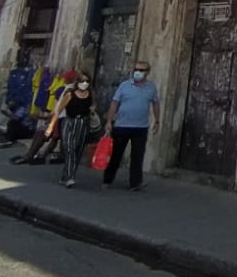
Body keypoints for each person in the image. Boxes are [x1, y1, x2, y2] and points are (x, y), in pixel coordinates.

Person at [103, 60, 159, 191]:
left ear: (147, 72)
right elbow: (114, 103)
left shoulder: (151, 87)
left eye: (141, 70)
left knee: (137, 156)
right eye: (136, 70)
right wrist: (109, 121)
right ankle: (107, 179)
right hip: (122, 126)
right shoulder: (124, 86)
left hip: (140, 127)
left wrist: (157, 120)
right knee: (116, 154)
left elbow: (156, 103)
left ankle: (135, 183)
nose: (138, 72)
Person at [47, 72, 96, 188]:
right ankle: (70, 177)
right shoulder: (70, 94)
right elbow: (59, 110)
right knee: (69, 148)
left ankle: (66, 176)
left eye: (87, 81)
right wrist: (51, 126)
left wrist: (92, 109)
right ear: (77, 82)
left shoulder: (90, 94)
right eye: (82, 81)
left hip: (83, 123)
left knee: (78, 150)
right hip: (69, 122)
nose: (84, 83)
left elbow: (93, 105)